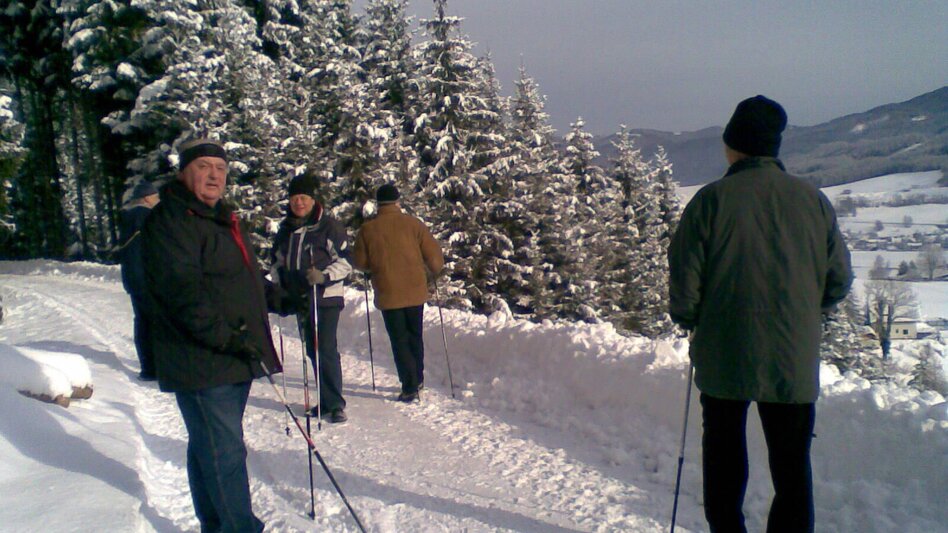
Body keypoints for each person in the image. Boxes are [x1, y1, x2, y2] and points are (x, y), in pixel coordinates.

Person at [668, 95, 852, 533]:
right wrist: (805, 313)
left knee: (724, 455)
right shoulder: (813, 201)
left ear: (732, 145)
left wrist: (689, 318)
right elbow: (839, 280)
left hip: (724, 351)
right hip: (792, 354)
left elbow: (685, 281)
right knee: (792, 466)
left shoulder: (710, 200)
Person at [142, 137, 280, 533]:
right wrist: (227, 337)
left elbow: (242, 279)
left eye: (220, 168)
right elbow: (182, 293)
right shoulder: (173, 221)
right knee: (224, 452)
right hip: (202, 357)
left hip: (230, 355)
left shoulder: (220, 218)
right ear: (184, 172)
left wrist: (279, 296)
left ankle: (217, 525)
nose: (214, 175)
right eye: (203, 166)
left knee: (210, 446)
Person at [270, 173, 352, 424]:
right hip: (301, 298)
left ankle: (335, 404)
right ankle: (325, 401)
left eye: (303, 198)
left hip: (325, 296)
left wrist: (324, 276)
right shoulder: (286, 229)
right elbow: (277, 260)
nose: (299, 203)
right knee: (312, 349)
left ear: (313, 200)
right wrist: (280, 281)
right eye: (295, 198)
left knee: (325, 347)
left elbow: (347, 262)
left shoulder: (328, 227)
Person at [353, 184, 444, 402]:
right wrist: (434, 270)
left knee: (399, 339)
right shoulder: (414, 224)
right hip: (415, 290)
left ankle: (409, 385)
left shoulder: (368, 229)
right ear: (397, 201)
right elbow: (434, 258)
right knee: (415, 335)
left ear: (377, 204)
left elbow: (360, 262)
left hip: (388, 292)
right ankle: (418, 379)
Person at [117, 180, 160, 381]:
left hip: (133, 278)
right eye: (155, 196)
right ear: (146, 198)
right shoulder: (145, 217)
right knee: (154, 322)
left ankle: (148, 367)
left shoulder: (128, 217)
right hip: (146, 278)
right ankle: (155, 368)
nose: (158, 200)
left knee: (142, 321)